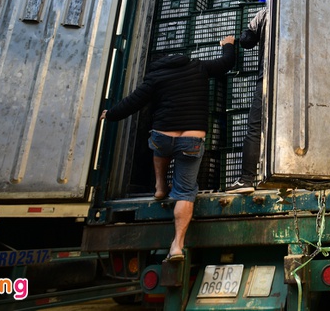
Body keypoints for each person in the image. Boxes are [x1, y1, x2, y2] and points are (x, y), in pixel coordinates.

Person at [100, 35, 236, 260]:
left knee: (159, 148)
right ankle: (177, 246)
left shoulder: (155, 76)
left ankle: (160, 186)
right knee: (184, 192)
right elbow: (226, 64)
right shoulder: (198, 67)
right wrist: (228, 44)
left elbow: (134, 101)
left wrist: (111, 114)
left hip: (163, 136)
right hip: (191, 140)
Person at [226, 6, 268, 193]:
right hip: (297, 83)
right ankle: (292, 177)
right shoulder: (308, 8)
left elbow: (246, 41)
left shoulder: (266, 12)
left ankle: (247, 179)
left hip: (268, 79)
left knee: (255, 128)